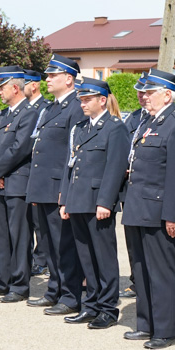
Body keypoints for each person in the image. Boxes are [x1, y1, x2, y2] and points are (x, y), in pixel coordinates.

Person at [122, 68, 175, 350]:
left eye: (150, 92)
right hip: (137, 207)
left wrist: (172, 215)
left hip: (159, 210)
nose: (145, 97)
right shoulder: (147, 122)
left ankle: (164, 331)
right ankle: (145, 324)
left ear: (167, 94)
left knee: (161, 271)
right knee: (140, 269)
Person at [59, 78, 128, 328]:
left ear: (102, 100)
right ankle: (91, 304)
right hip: (77, 200)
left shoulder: (114, 128)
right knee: (86, 257)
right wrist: (64, 199)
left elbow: (115, 168)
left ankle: (108, 309)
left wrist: (106, 202)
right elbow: (70, 165)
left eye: (87, 99)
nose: (83, 104)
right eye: (81, 100)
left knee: (104, 257)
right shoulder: (80, 128)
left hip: (98, 203)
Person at [24, 55, 86, 315]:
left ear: (68, 79)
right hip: (43, 186)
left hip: (58, 187)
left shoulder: (76, 107)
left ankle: (70, 296)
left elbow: (74, 153)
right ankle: (54, 289)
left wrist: (66, 189)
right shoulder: (49, 108)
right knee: (49, 243)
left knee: (64, 245)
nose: (47, 79)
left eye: (52, 76)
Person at [0, 66, 39, 303]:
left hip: (17, 183)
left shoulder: (29, 113)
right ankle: (2, 281)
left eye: (2, 87)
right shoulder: (3, 115)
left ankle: (20, 285)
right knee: (1, 235)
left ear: (16, 88)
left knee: (20, 236)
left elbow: (20, 148)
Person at [119, 74, 149, 300]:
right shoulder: (133, 118)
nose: (141, 95)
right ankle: (136, 281)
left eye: (145, 91)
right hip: (129, 188)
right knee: (132, 240)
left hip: (150, 190)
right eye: (138, 91)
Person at [23, 69, 51, 278]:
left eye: (23, 83)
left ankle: (41, 259)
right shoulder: (23, 109)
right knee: (28, 220)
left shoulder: (46, 108)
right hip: (24, 173)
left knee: (40, 222)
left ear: (34, 85)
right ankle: (35, 257)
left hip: (41, 173)